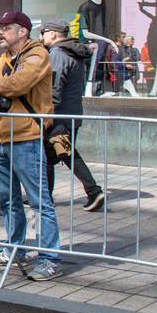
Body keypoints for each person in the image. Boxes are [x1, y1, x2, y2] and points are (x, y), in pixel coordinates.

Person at [0, 10, 60, 281]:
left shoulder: (38, 55)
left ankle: (49, 258)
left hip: (26, 139)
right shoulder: (3, 58)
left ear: (22, 31)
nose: (0, 32)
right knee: (8, 201)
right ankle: (15, 249)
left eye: (5, 28)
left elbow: (18, 84)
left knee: (40, 202)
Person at [40, 21, 105, 211]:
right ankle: (46, 196)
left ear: (52, 34)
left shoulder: (58, 54)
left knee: (65, 155)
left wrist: (47, 115)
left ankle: (94, 191)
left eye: (43, 33)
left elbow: (54, 88)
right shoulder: (74, 52)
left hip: (58, 117)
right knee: (51, 156)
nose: (41, 37)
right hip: (72, 114)